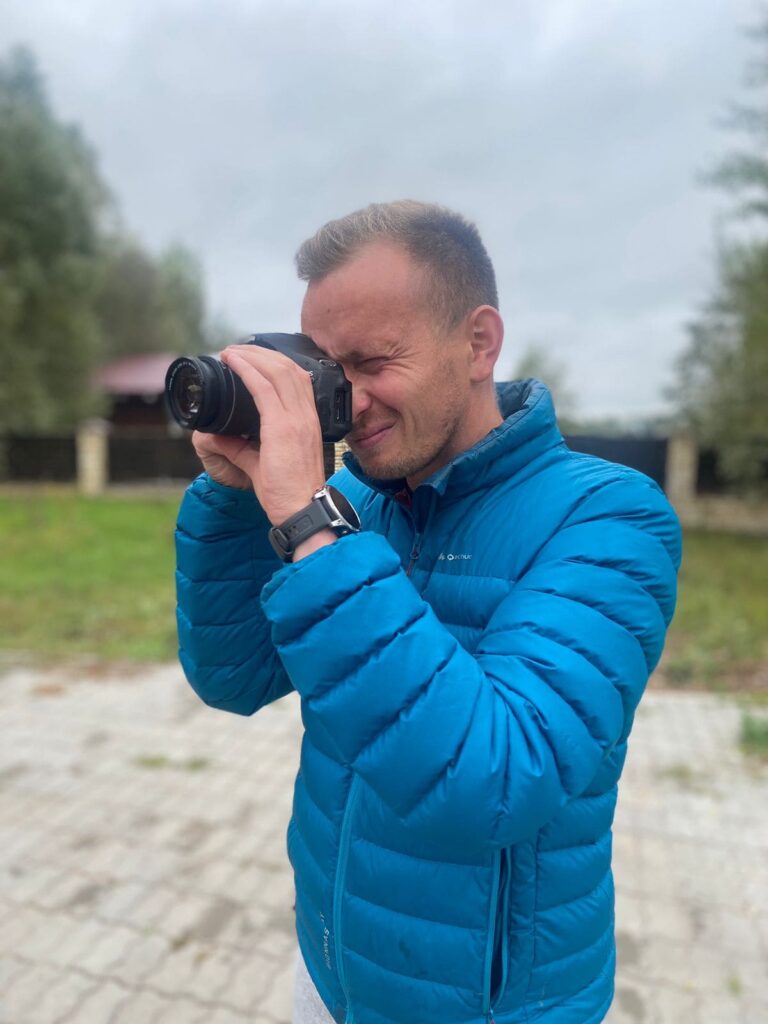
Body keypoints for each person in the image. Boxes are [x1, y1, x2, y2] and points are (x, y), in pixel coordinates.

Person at [174, 200, 681, 1024]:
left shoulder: (608, 516)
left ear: (479, 342)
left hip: (487, 1007)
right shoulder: (353, 504)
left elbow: (497, 780)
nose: (346, 402)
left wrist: (311, 527)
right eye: (325, 369)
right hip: (332, 965)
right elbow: (234, 677)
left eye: (373, 361)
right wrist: (235, 497)